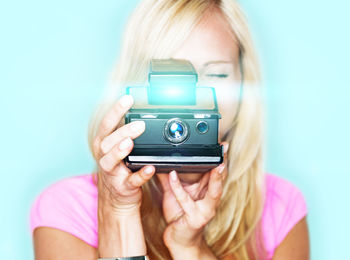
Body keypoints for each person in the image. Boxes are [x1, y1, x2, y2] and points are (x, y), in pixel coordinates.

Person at [29, 0, 310, 259]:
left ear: (244, 82)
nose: (192, 96)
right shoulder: (67, 209)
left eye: (216, 74)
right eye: (171, 77)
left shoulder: (279, 207)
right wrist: (118, 212)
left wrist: (192, 249)